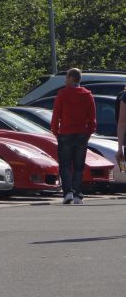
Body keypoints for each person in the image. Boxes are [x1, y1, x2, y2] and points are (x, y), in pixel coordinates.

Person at [51, 68, 96, 205]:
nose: (65, 80)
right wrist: (88, 133)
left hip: (65, 133)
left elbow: (56, 115)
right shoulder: (87, 95)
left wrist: (55, 131)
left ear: (71, 78)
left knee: (65, 165)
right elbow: (92, 118)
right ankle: (77, 194)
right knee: (78, 166)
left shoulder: (63, 94)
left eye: (66, 77)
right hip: (81, 134)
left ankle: (67, 193)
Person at [115, 87, 126, 171]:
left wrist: (119, 148)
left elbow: (122, 122)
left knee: (124, 169)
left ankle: (123, 171)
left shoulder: (123, 96)